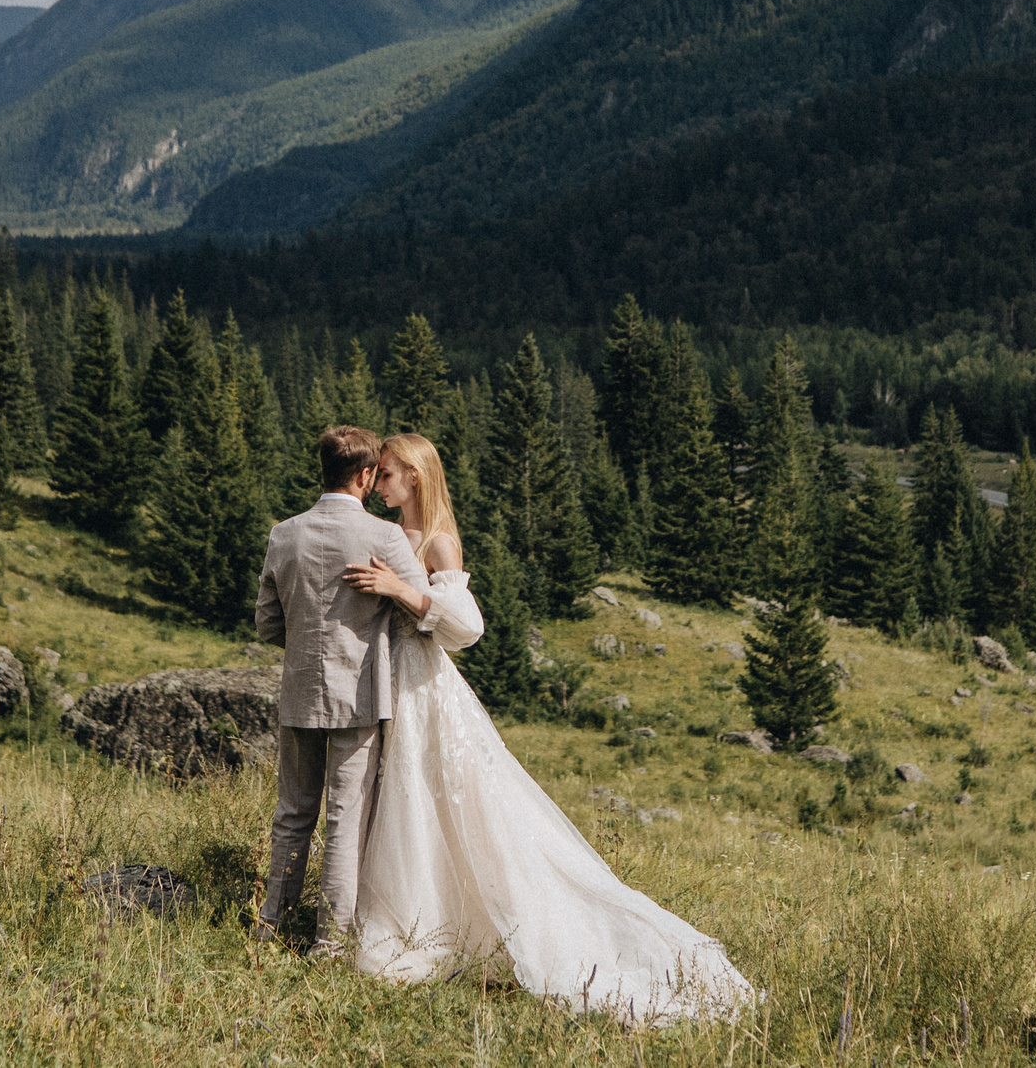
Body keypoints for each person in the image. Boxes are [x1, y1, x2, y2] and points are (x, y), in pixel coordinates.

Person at [342, 432, 757, 1024]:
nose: (378, 483)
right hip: (390, 677)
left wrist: (402, 590)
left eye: (385, 474)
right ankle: (430, 917)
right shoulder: (392, 533)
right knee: (412, 801)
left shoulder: (438, 542)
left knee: (444, 796)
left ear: (414, 475)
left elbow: (466, 625)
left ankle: (455, 929)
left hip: (425, 683)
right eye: (376, 475)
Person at [253, 423, 429, 955]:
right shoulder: (383, 537)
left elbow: (266, 624)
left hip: (300, 691)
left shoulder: (284, 534)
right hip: (360, 695)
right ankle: (328, 943)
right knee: (344, 819)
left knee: (293, 814)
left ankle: (270, 926)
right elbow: (425, 612)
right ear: (365, 473)